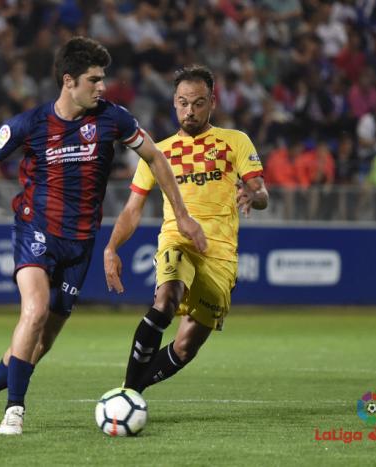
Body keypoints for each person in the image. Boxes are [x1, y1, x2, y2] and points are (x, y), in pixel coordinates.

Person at [0, 37, 207, 436]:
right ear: (68, 81)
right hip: (35, 230)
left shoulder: (113, 119)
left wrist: (183, 215)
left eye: (103, 79)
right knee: (34, 312)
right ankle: (15, 411)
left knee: (41, 343)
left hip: (80, 243)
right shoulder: (30, 123)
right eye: (94, 79)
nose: (102, 87)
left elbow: (156, 157)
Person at [103, 65, 268, 394]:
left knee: (184, 347)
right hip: (177, 242)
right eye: (182, 102)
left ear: (212, 103)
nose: (189, 110)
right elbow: (132, 209)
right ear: (173, 103)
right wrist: (111, 248)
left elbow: (261, 193)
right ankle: (127, 396)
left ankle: (131, 390)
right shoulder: (157, 152)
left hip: (219, 256)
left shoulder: (233, 141)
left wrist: (253, 195)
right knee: (166, 299)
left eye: (198, 102)